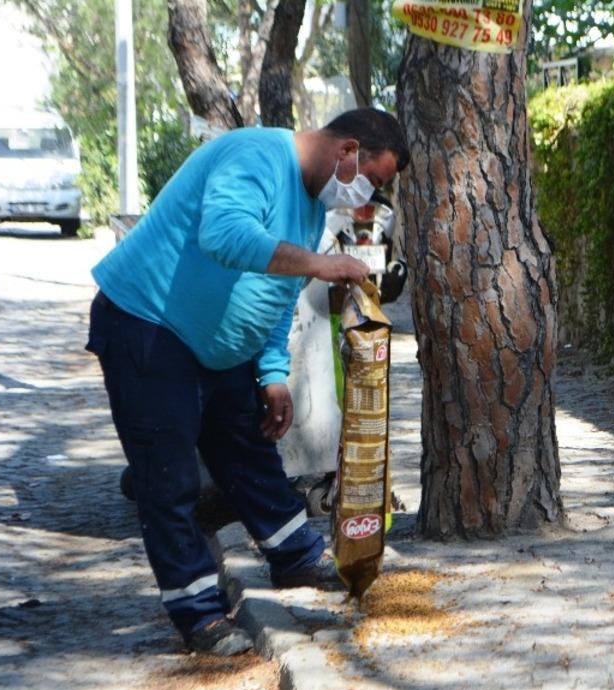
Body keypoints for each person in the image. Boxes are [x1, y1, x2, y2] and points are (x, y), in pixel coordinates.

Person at [86, 109, 409, 656]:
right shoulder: (255, 155)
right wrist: (320, 265)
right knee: (170, 478)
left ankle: (295, 556)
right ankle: (199, 613)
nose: (367, 194)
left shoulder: (309, 211)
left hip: (216, 348)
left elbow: (275, 296)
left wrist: (272, 375)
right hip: (147, 325)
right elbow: (224, 234)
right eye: (372, 178)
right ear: (348, 150)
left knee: (252, 451)